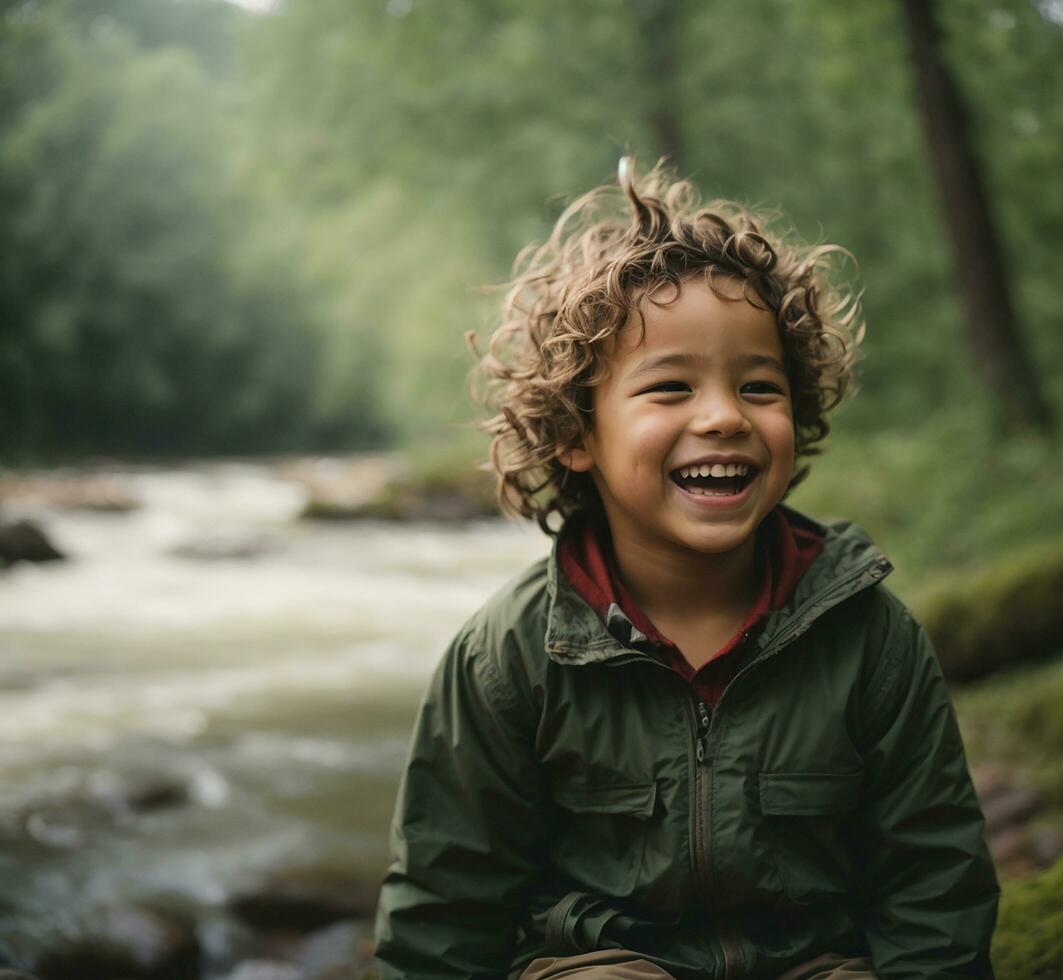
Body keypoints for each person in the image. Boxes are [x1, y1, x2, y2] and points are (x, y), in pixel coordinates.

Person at [374, 158, 999, 980]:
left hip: (810, 963)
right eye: (669, 388)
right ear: (575, 434)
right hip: (600, 964)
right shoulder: (508, 658)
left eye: (759, 386)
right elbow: (443, 910)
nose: (722, 416)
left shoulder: (870, 638)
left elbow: (933, 884)